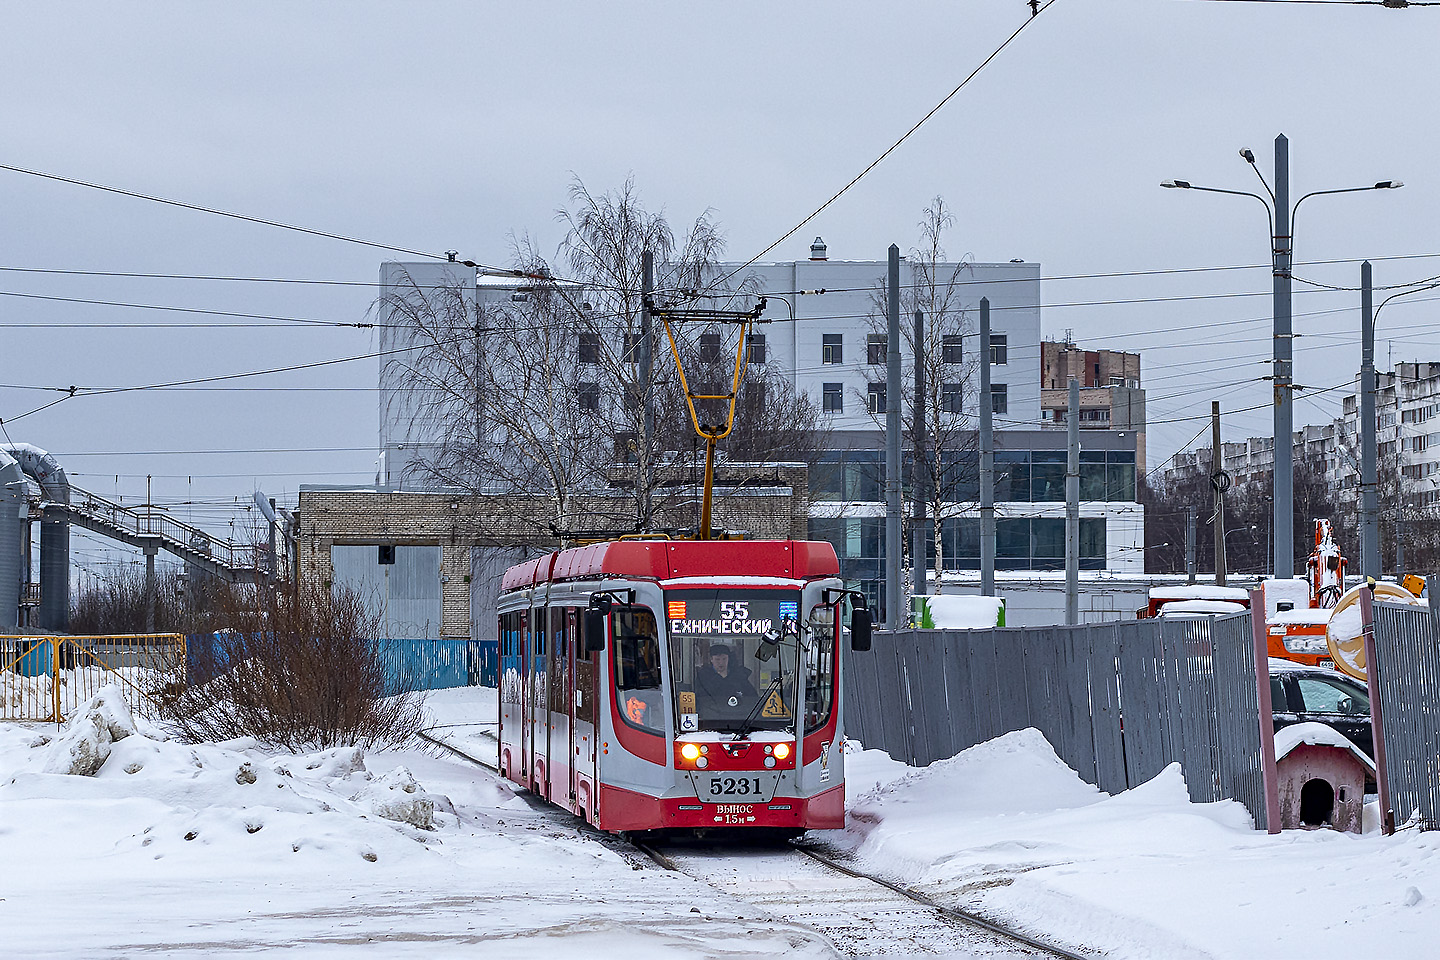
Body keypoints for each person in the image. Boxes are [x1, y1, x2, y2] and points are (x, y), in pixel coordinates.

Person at [694, 644, 758, 721]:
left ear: (728, 659)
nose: (721, 663)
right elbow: (699, 699)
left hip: (738, 719)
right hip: (711, 719)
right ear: (711, 659)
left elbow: (752, 698)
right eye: (717, 659)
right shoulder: (703, 677)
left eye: (724, 659)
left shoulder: (739, 676)